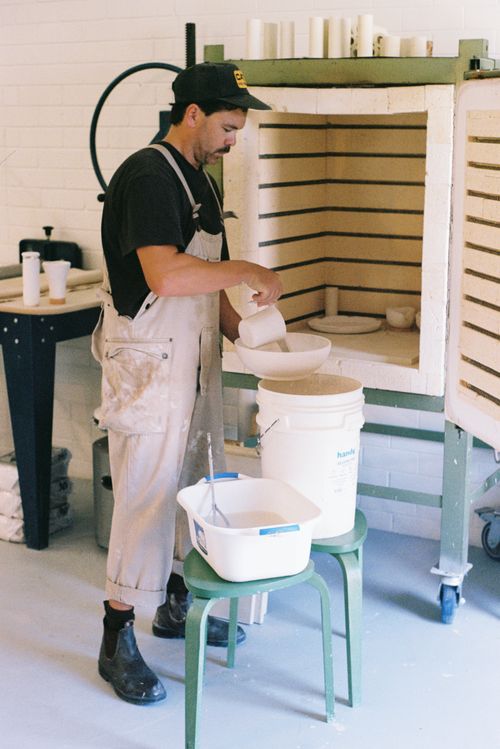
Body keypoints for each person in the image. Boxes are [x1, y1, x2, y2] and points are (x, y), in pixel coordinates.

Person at [91, 61, 282, 705]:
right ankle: (116, 639)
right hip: (148, 360)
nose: (234, 140)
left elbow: (205, 282)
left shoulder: (200, 179)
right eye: (228, 126)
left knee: (196, 485)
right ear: (192, 114)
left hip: (194, 356)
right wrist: (249, 268)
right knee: (145, 494)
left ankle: (175, 604)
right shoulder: (149, 175)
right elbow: (167, 276)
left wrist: (247, 335)